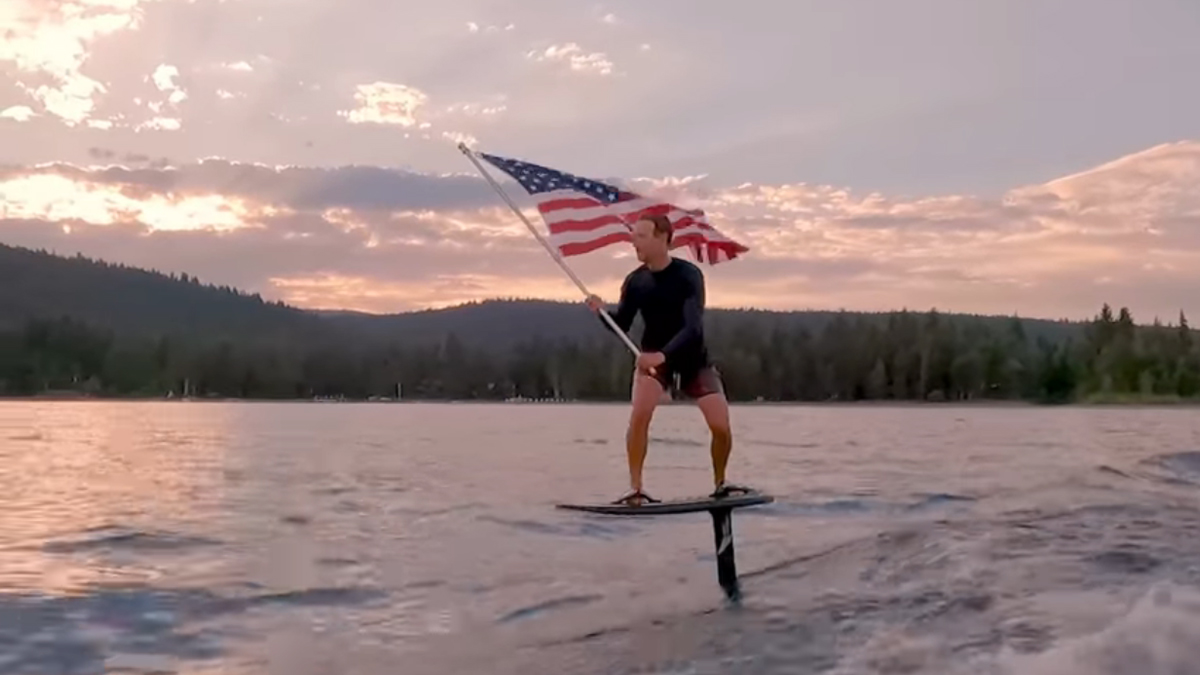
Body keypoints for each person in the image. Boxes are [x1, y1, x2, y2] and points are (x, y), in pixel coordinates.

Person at [586, 213, 751, 506]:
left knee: (721, 426)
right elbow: (621, 324)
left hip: (692, 359)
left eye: (641, 236)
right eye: (633, 236)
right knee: (639, 415)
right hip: (652, 362)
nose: (633, 242)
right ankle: (636, 489)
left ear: (662, 238)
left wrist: (663, 355)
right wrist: (601, 314)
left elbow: (693, 327)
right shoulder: (636, 282)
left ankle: (720, 482)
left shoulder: (688, 276)